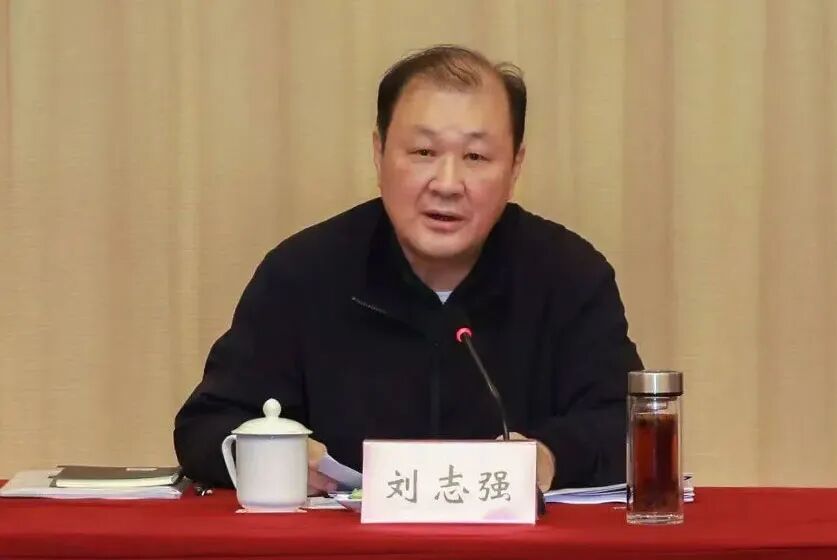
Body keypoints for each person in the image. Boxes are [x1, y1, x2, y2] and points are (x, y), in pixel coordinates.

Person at [174, 45, 643, 495]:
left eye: (476, 157)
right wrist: (275, 454)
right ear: (379, 153)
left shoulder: (568, 275)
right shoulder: (303, 273)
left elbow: (628, 425)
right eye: (423, 152)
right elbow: (206, 426)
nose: (448, 184)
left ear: (515, 166)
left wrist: (551, 456)